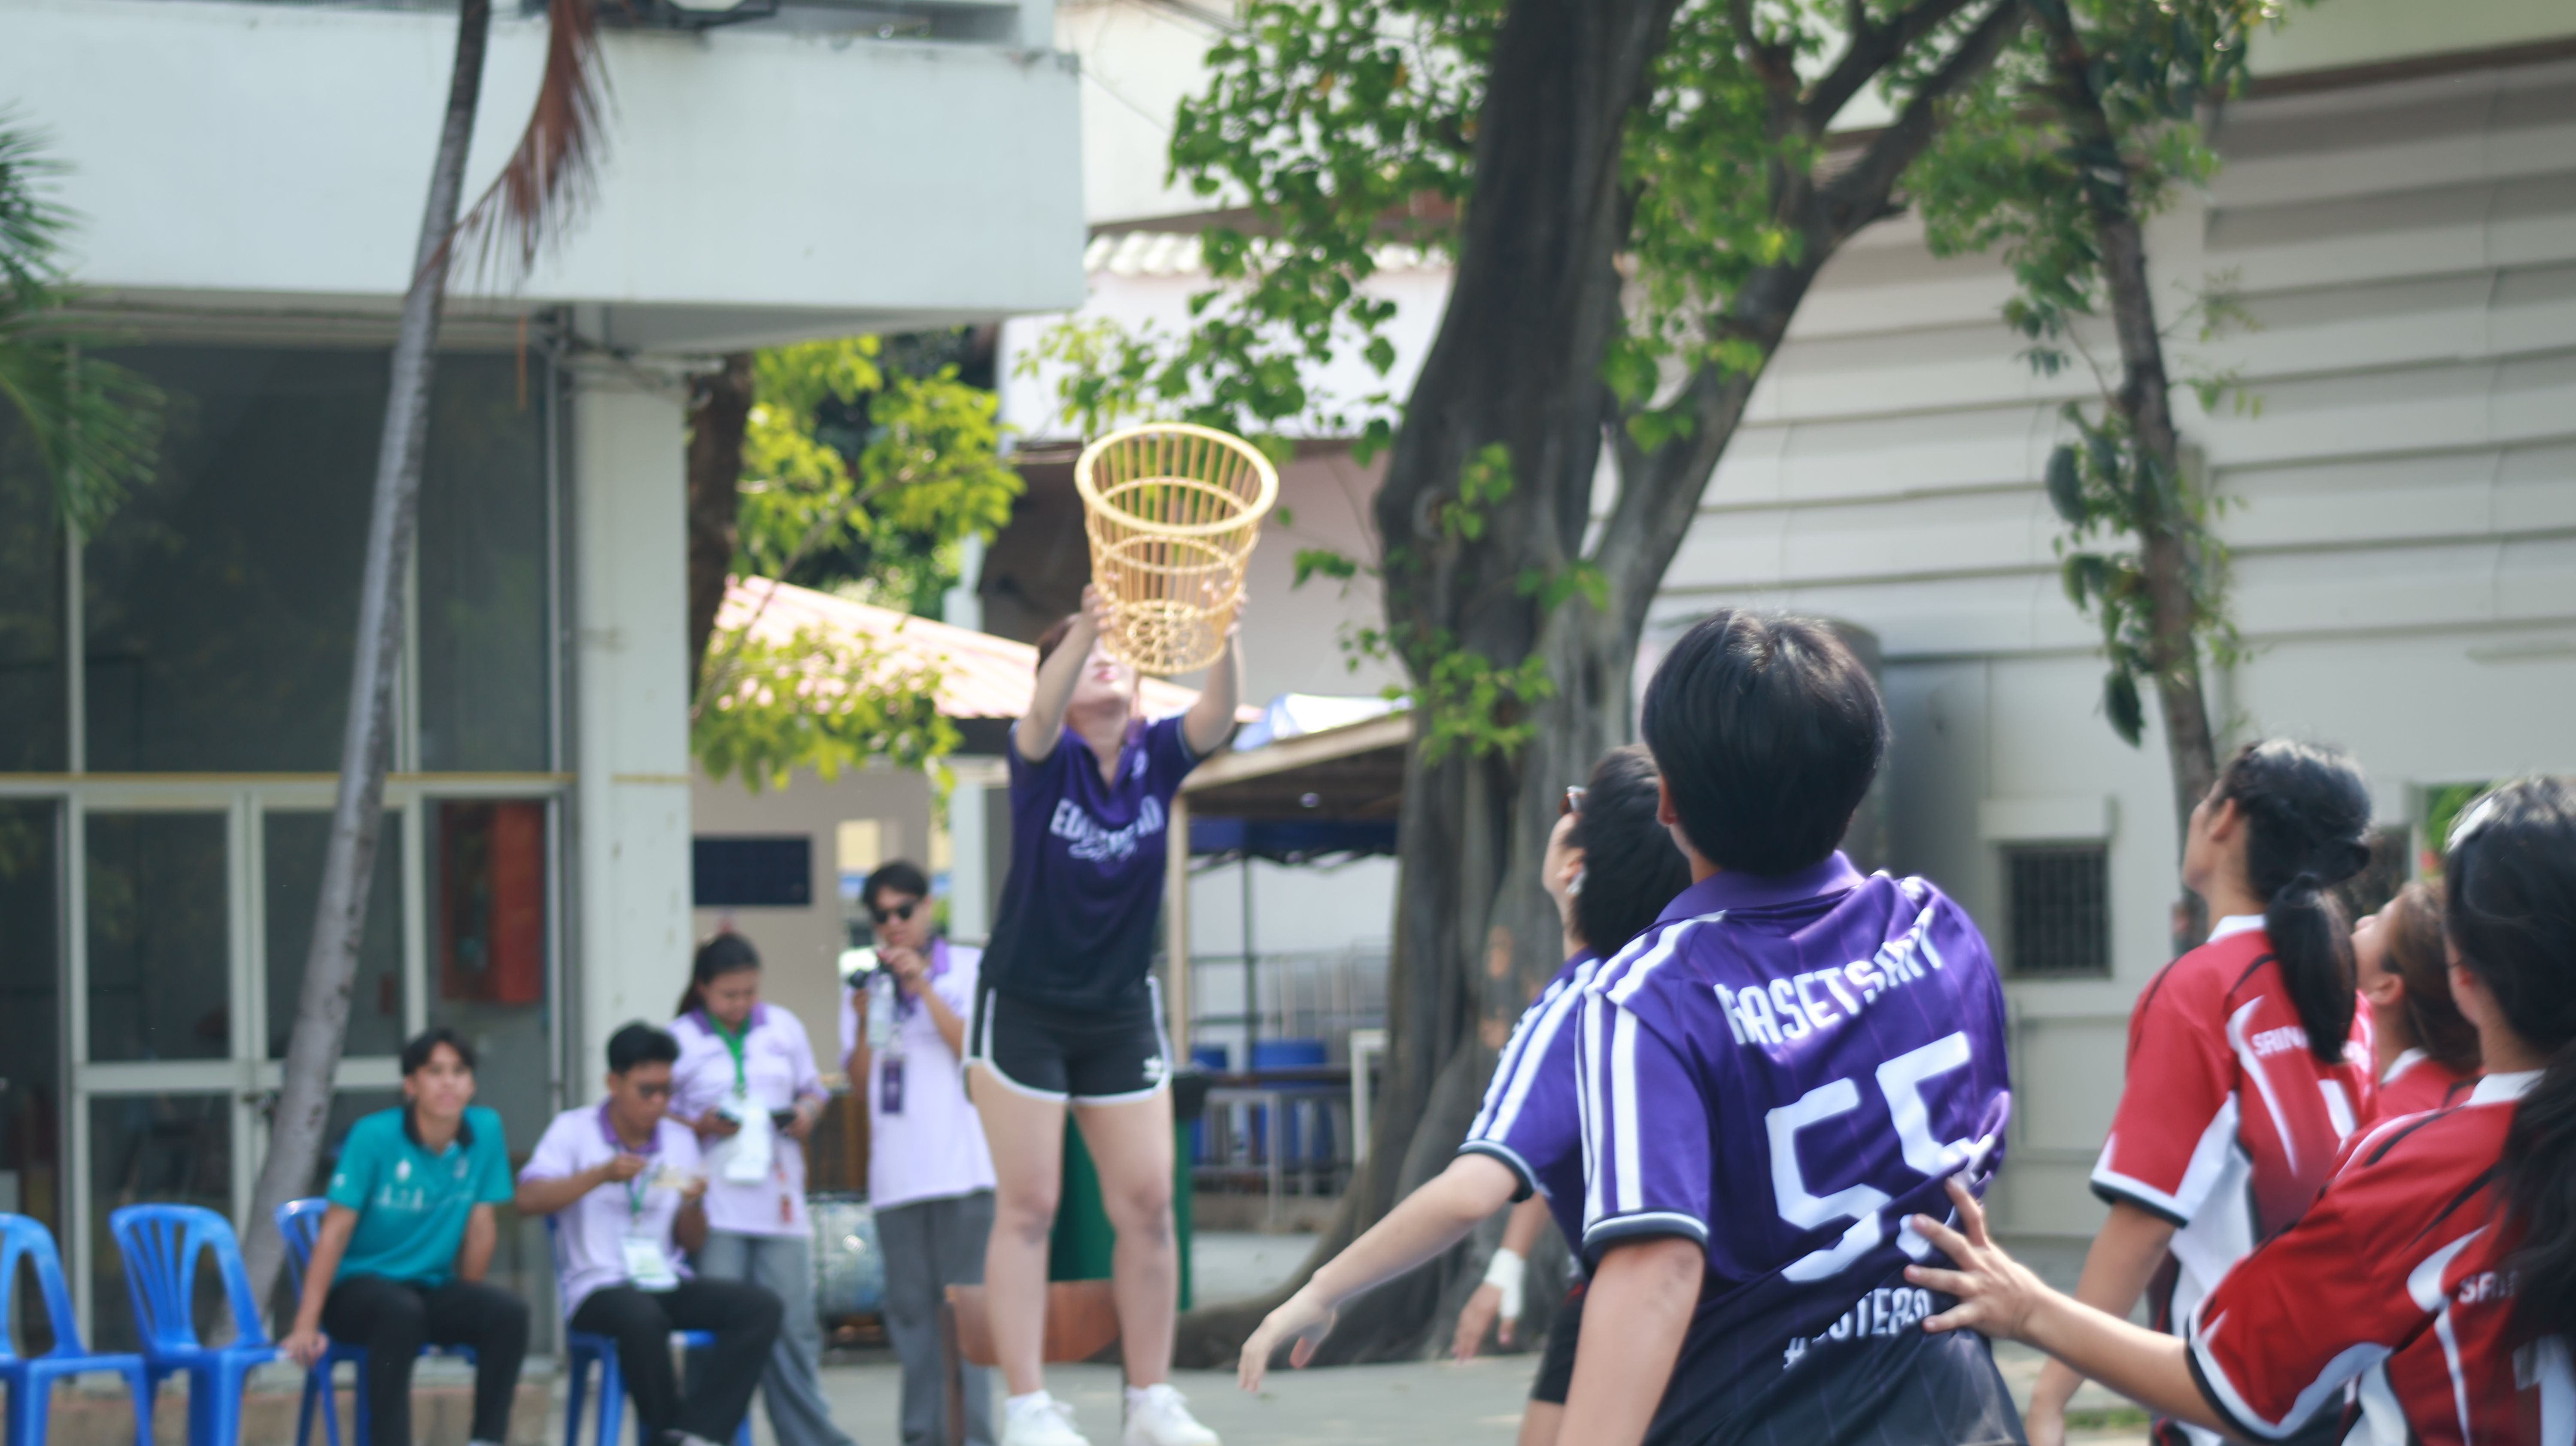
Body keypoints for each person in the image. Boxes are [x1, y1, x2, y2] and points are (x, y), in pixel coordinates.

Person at [1904, 775, 2576, 1445]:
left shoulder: (2212, 993)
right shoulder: (2338, 1001)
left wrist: (2033, 1323)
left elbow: (2158, 1248)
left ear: (2463, 972)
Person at [1558, 610, 2020, 1446]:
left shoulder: (1651, 995)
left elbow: (1658, 1267)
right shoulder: (1939, 932)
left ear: (1667, 797)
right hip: (1957, 1415)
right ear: (1858, 782)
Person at [1237, 746, 1692, 1446]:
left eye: (1574, 803)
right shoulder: (1690, 982)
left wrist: (1324, 1288)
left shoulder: (1581, 1005)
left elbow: (1469, 1193)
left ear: (1575, 866)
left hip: (1652, 1303)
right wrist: (1508, 1265)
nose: (1563, 806)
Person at [2029, 740, 2379, 1446]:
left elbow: (2145, 1221)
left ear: (2224, 818)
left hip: (2230, 1406)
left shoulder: (2202, 988)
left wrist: (2051, 1392)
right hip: (2346, 1398)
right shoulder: (2351, 1000)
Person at [970, 585, 1241, 1446]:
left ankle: (1149, 1400)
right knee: (1030, 1205)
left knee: (1151, 1204)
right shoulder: (1043, 756)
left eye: (1116, 652)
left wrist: (1223, 636)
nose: (1105, 660)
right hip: (1027, 1006)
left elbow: (1217, 716)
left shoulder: (1157, 756)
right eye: (1085, 655)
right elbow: (1038, 711)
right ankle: (1027, 1408)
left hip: (1120, 1009)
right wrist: (1088, 622)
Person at [518, 1023, 785, 1446]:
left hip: (664, 1280)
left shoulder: (679, 1139)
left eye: (666, 1090)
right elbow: (527, 1199)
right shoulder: (574, 1129)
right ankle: (668, 1434)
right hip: (598, 1286)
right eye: (647, 1091)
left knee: (760, 1306)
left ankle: (696, 1432)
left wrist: (694, 1204)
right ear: (614, 1082)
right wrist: (599, 1175)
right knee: (641, 1317)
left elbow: (692, 1242)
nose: (659, 1102)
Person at [279, 1029, 529, 1446]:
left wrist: (467, 1303)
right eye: (435, 1071)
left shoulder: (485, 1129)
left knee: (508, 1312)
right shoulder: (373, 1135)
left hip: (428, 1289)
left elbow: (481, 1227)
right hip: (357, 1292)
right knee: (400, 1312)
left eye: (459, 1071)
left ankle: (486, 1440)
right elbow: (335, 1232)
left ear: (472, 1085)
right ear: (411, 1085)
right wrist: (306, 1321)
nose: (448, 1083)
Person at [668, 935, 848, 1446]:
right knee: (717, 1329)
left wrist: (807, 1111)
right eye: (729, 994)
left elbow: (813, 1087)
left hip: (779, 1200)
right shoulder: (681, 1038)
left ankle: (809, 1436)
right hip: (716, 1207)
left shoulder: (782, 1026)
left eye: (750, 992)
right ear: (702, 988)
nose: (741, 1004)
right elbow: (660, 1115)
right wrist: (700, 1123)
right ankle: (708, 1434)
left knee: (793, 1327)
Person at [842, 859, 999, 1446]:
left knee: (968, 1316)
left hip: (964, 1174)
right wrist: (864, 1023)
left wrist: (924, 987)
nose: (893, 924)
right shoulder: (864, 981)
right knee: (912, 1320)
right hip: (897, 1179)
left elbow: (977, 1054)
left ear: (928, 907)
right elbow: (860, 1084)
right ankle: (921, 1437)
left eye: (903, 911)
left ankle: (975, 1437)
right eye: (881, 916)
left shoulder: (969, 968)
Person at [2354, 879, 2480, 1118]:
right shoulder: (2478, 1087)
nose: (2362, 922)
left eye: (2378, 921)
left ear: (2385, 987)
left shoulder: (2383, 1119)